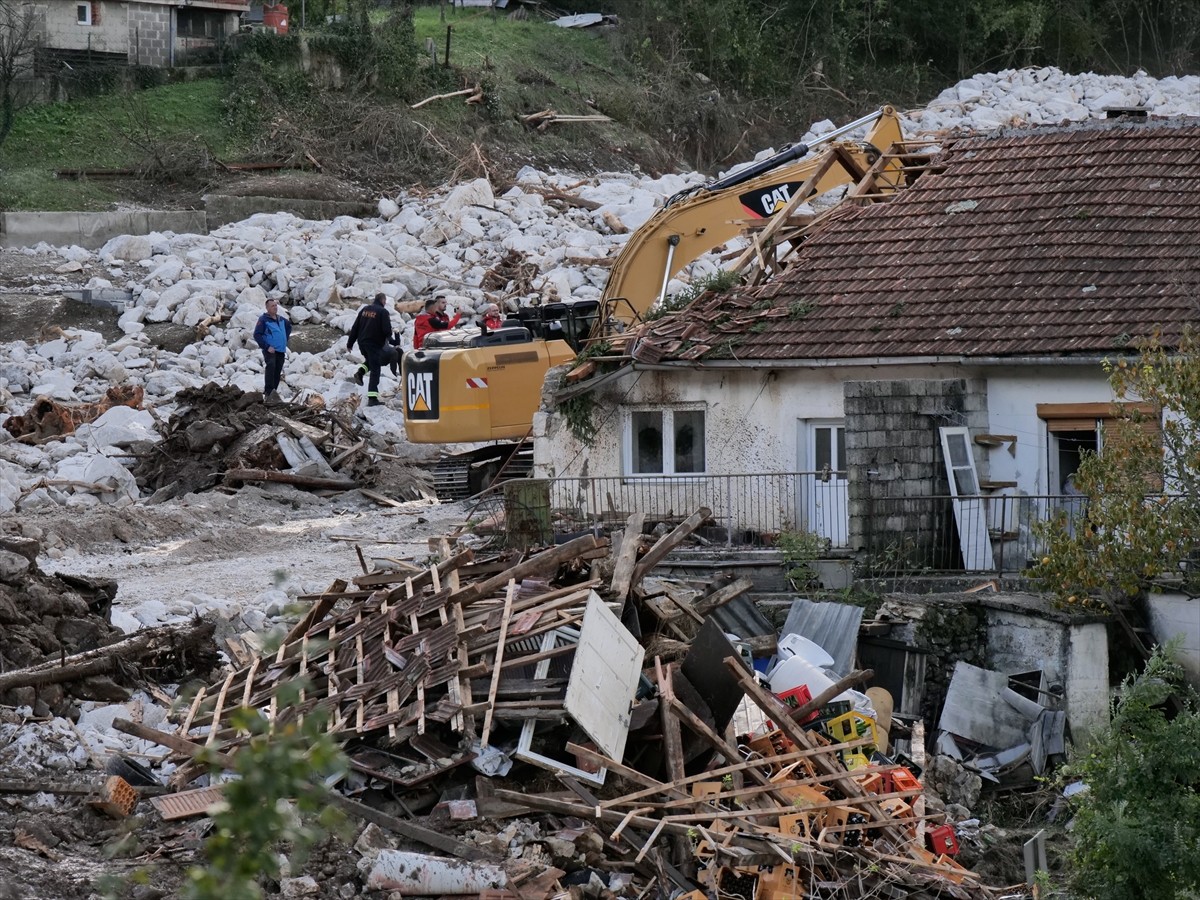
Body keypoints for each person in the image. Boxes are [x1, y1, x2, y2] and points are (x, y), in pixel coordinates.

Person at [347, 293, 398, 407]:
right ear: (383, 300)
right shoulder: (383, 312)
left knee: (370, 361)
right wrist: (391, 336)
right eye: (385, 301)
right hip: (374, 344)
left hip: (362, 342)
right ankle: (372, 398)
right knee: (376, 369)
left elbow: (355, 327)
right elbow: (386, 330)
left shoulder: (365, 310)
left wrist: (350, 343)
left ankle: (360, 373)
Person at [253, 298, 292, 401]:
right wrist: (266, 346)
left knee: (277, 370)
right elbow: (257, 335)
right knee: (271, 367)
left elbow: (289, 327)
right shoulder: (263, 320)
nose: (275, 307)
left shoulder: (281, 319)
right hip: (270, 350)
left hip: (281, 350)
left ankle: (274, 392)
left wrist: (285, 339)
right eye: (272, 306)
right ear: (267, 308)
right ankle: (268, 393)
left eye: (275, 305)